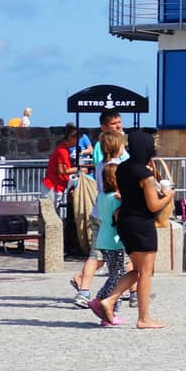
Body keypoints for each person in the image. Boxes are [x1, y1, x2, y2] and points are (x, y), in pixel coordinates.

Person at [92, 130, 171, 329]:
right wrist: (168, 195)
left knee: (136, 270)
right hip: (142, 223)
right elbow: (153, 205)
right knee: (146, 272)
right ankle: (144, 317)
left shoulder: (122, 168)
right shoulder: (144, 174)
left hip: (125, 221)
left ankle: (109, 300)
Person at [70, 109, 126, 305]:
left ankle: (125, 289)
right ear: (104, 127)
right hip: (110, 212)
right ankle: (90, 292)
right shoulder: (111, 155)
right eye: (114, 124)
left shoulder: (104, 155)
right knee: (109, 254)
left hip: (102, 208)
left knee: (110, 255)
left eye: (120, 122)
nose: (119, 126)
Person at [93, 163, 127, 301]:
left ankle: (105, 302)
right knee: (117, 275)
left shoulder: (101, 196)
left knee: (115, 273)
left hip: (103, 237)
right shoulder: (116, 199)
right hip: (114, 240)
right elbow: (119, 219)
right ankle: (103, 300)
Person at [43, 125, 77, 214]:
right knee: (50, 213)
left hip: (54, 186)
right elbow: (62, 171)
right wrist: (77, 169)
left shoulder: (62, 149)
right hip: (53, 187)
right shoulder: (62, 151)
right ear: (71, 138)